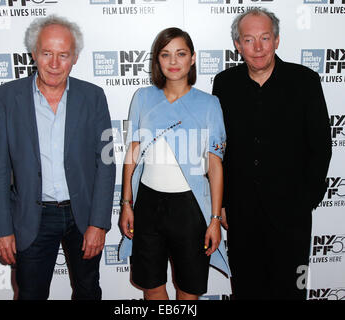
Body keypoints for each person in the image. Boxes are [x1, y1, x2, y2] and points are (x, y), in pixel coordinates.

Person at [0, 15, 115, 300]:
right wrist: (2, 228)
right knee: (30, 294)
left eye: (63, 55)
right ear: (34, 54)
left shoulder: (94, 97)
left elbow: (106, 163)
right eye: (47, 54)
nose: (54, 64)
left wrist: (99, 223)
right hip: (32, 216)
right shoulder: (5, 98)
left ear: (75, 58)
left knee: (88, 290)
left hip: (82, 215)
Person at [212, 8, 332, 300]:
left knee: (291, 293)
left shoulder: (305, 81)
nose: (257, 47)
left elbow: (320, 146)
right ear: (238, 45)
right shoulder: (224, 84)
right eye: (249, 39)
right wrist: (223, 204)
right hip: (241, 217)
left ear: (277, 40)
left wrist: (305, 201)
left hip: (292, 216)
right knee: (247, 291)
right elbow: (217, 148)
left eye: (265, 38)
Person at [118, 27, 230, 300]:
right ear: (157, 60)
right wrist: (126, 204)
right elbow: (132, 154)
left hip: (191, 209)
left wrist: (214, 219)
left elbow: (215, 166)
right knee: (152, 284)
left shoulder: (209, 103)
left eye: (180, 54)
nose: (173, 61)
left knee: (189, 289)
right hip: (147, 205)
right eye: (165, 54)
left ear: (192, 58)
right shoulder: (143, 98)